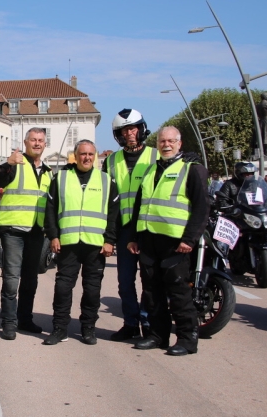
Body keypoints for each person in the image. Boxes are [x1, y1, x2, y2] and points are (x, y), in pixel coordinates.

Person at [128, 126, 209, 356]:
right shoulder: (151, 169)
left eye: (171, 141)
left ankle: (187, 339)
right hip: (148, 239)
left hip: (176, 242)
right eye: (162, 141)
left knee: (179, 292)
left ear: (179, 143)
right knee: (152, 292)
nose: (166, 145)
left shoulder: (192, 169)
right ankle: (157, 335)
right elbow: (140, 205)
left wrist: (190, 239)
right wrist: (134, 237)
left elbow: (202, 208)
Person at [43, 140, 119, 345]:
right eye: (83, 154)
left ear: (95, 157)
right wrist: (53, 235)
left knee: (92, 290)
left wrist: (110, 240)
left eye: (90, 154)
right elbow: (50, 209)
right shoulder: (61, 178)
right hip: (68, 243)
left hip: (96, 245)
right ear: (75, 156)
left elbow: (114, 214)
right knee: (62, 288)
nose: (87, 158)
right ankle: (59, 328)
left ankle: (88, 328)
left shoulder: (106, 181)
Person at [0, 127, 52, 340]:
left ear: (45, 144)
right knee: (11, 279)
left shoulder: (47, 171)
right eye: (33, 140)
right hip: (13, 231)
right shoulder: (15, 164)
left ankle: (25, 318)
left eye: (40, 140)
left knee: (30, 279)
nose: (37, 143)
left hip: (36, 231)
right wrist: (7, 164)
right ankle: (8, 322)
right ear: (26, 142)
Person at [102, 108, 157, 342]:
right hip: (124, 231)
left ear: (141, 129)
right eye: (125, 130)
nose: (130, 134)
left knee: (149, 281)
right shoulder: (111, 161)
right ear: (119, 134)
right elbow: (105, 199)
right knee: (125, 282)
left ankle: (148, 323)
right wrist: (108, 236)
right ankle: (130, 323)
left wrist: (192, 161)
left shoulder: (157, 156)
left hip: (148, 230)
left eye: (133, 128)